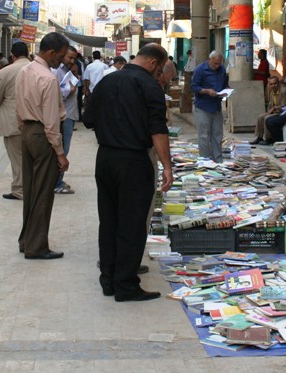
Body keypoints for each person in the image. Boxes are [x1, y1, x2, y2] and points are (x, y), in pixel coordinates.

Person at [83, 43, 173, 302]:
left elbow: (89, 120)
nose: (159, 77)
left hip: (106, 157)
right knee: (132, 223)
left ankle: (109, 279)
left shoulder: (107, 82)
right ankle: (126, 284)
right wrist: (167, 166)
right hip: (133, 160)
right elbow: (158, 130)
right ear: (154, 63)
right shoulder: (149, 87)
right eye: (159, 72)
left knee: (109, 219)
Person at [15, 32, 69, 259]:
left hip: (27, 131)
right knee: (43, 192)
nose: (63, 60)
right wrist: (60, 153)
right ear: (51, 53)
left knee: (30, 190)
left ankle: (26, 240)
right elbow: (51, 122)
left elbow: (17, 107)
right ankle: (36, 246)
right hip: (42, 134)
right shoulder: (48, 78)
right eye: (61, 55)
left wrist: (25, 131)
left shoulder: (24, 71)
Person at [0, 42, 31, 200]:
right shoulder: (38, 70)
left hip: (12, 121)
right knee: (31, 157)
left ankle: (19, 189)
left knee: (17, 157)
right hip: (36, 121)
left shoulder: (4, 72)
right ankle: (32, 187)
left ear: (12, 55)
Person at [52, 45, 80, 195]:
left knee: (64, 149)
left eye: (74, 58)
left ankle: (58, 180)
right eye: (69, 57)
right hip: (64, 116)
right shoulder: (56, 72)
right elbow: (55, 95)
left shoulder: (67, 71)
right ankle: (56, 183)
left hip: (69, 114)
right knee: (62, 150)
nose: (72, 60)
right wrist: (70, 90)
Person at [191, 50, 229, 162]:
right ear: (209, 60)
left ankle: (218, 159)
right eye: (215, 63)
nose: (217, 66)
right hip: (203, 106)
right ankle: (205, 160)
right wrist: (206, 91)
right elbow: (194, 87)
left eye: (219, 63)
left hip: (216, 106)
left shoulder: (222, 70)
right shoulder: (200, 69)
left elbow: (225, 84)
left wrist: (226, 90)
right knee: (204, 135)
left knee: (217, 134)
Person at [250, 75, 286, 145]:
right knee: (260, 117)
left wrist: (274, 109)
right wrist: (270, 110)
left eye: (275, 83)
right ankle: (259, 137)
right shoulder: (271, 91)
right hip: (274, 111)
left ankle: (268, 139)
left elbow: (284, 105)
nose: (273, 86)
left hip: (281, 112)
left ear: (278, 83)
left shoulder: (284, 91)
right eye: (271, 84)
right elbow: (270, 104)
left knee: (267, 118)